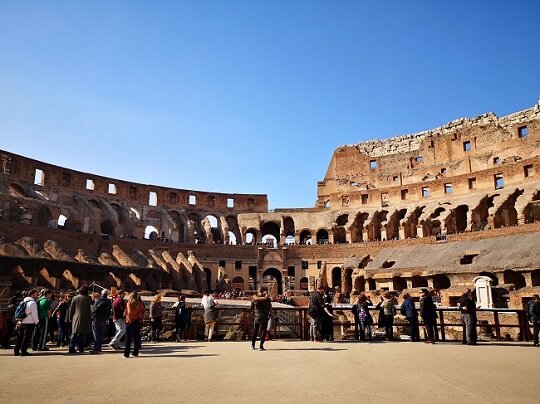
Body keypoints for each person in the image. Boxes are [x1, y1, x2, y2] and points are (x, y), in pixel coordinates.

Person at [14, 289, 40, 356]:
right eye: (36, 293)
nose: (38, 294)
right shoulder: (33, 303)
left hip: (21, 321)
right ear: (32, 294)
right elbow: (35, 314)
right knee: (26, 338)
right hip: (29, 322)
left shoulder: (23, 301)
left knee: (20, 337)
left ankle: (16, 351)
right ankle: (23, 351)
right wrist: (37, 322)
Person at [68, 285, 93, 354]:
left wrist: (70, 317)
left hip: (75, 317)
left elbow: (71, 309)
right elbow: (92, 306)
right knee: (82, 334)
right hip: (85, 318)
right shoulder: (88, 298)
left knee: (74, 333)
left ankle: (71, 347)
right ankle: (81, 348)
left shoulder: (75, 298)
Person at [124, 291, 145, 358]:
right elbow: (144, 312)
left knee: (128, 338)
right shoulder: (140, 303)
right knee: (136, 338)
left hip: (130, 321)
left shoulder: (129, 303)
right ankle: (135, 352)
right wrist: (141, 319)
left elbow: (129, 312)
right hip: (138, 321)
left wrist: (130, 319)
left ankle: (126, 353)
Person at [91, 289, 112, 353]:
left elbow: (94, 309)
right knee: (100, 335)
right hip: (103, 320)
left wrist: (92, 316)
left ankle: (96, 348)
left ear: (101, 294)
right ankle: (99, 347)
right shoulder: (109, 302)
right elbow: (109, 312)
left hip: (97, 319)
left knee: (96, 334)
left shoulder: (99, 300)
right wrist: (106, 318)